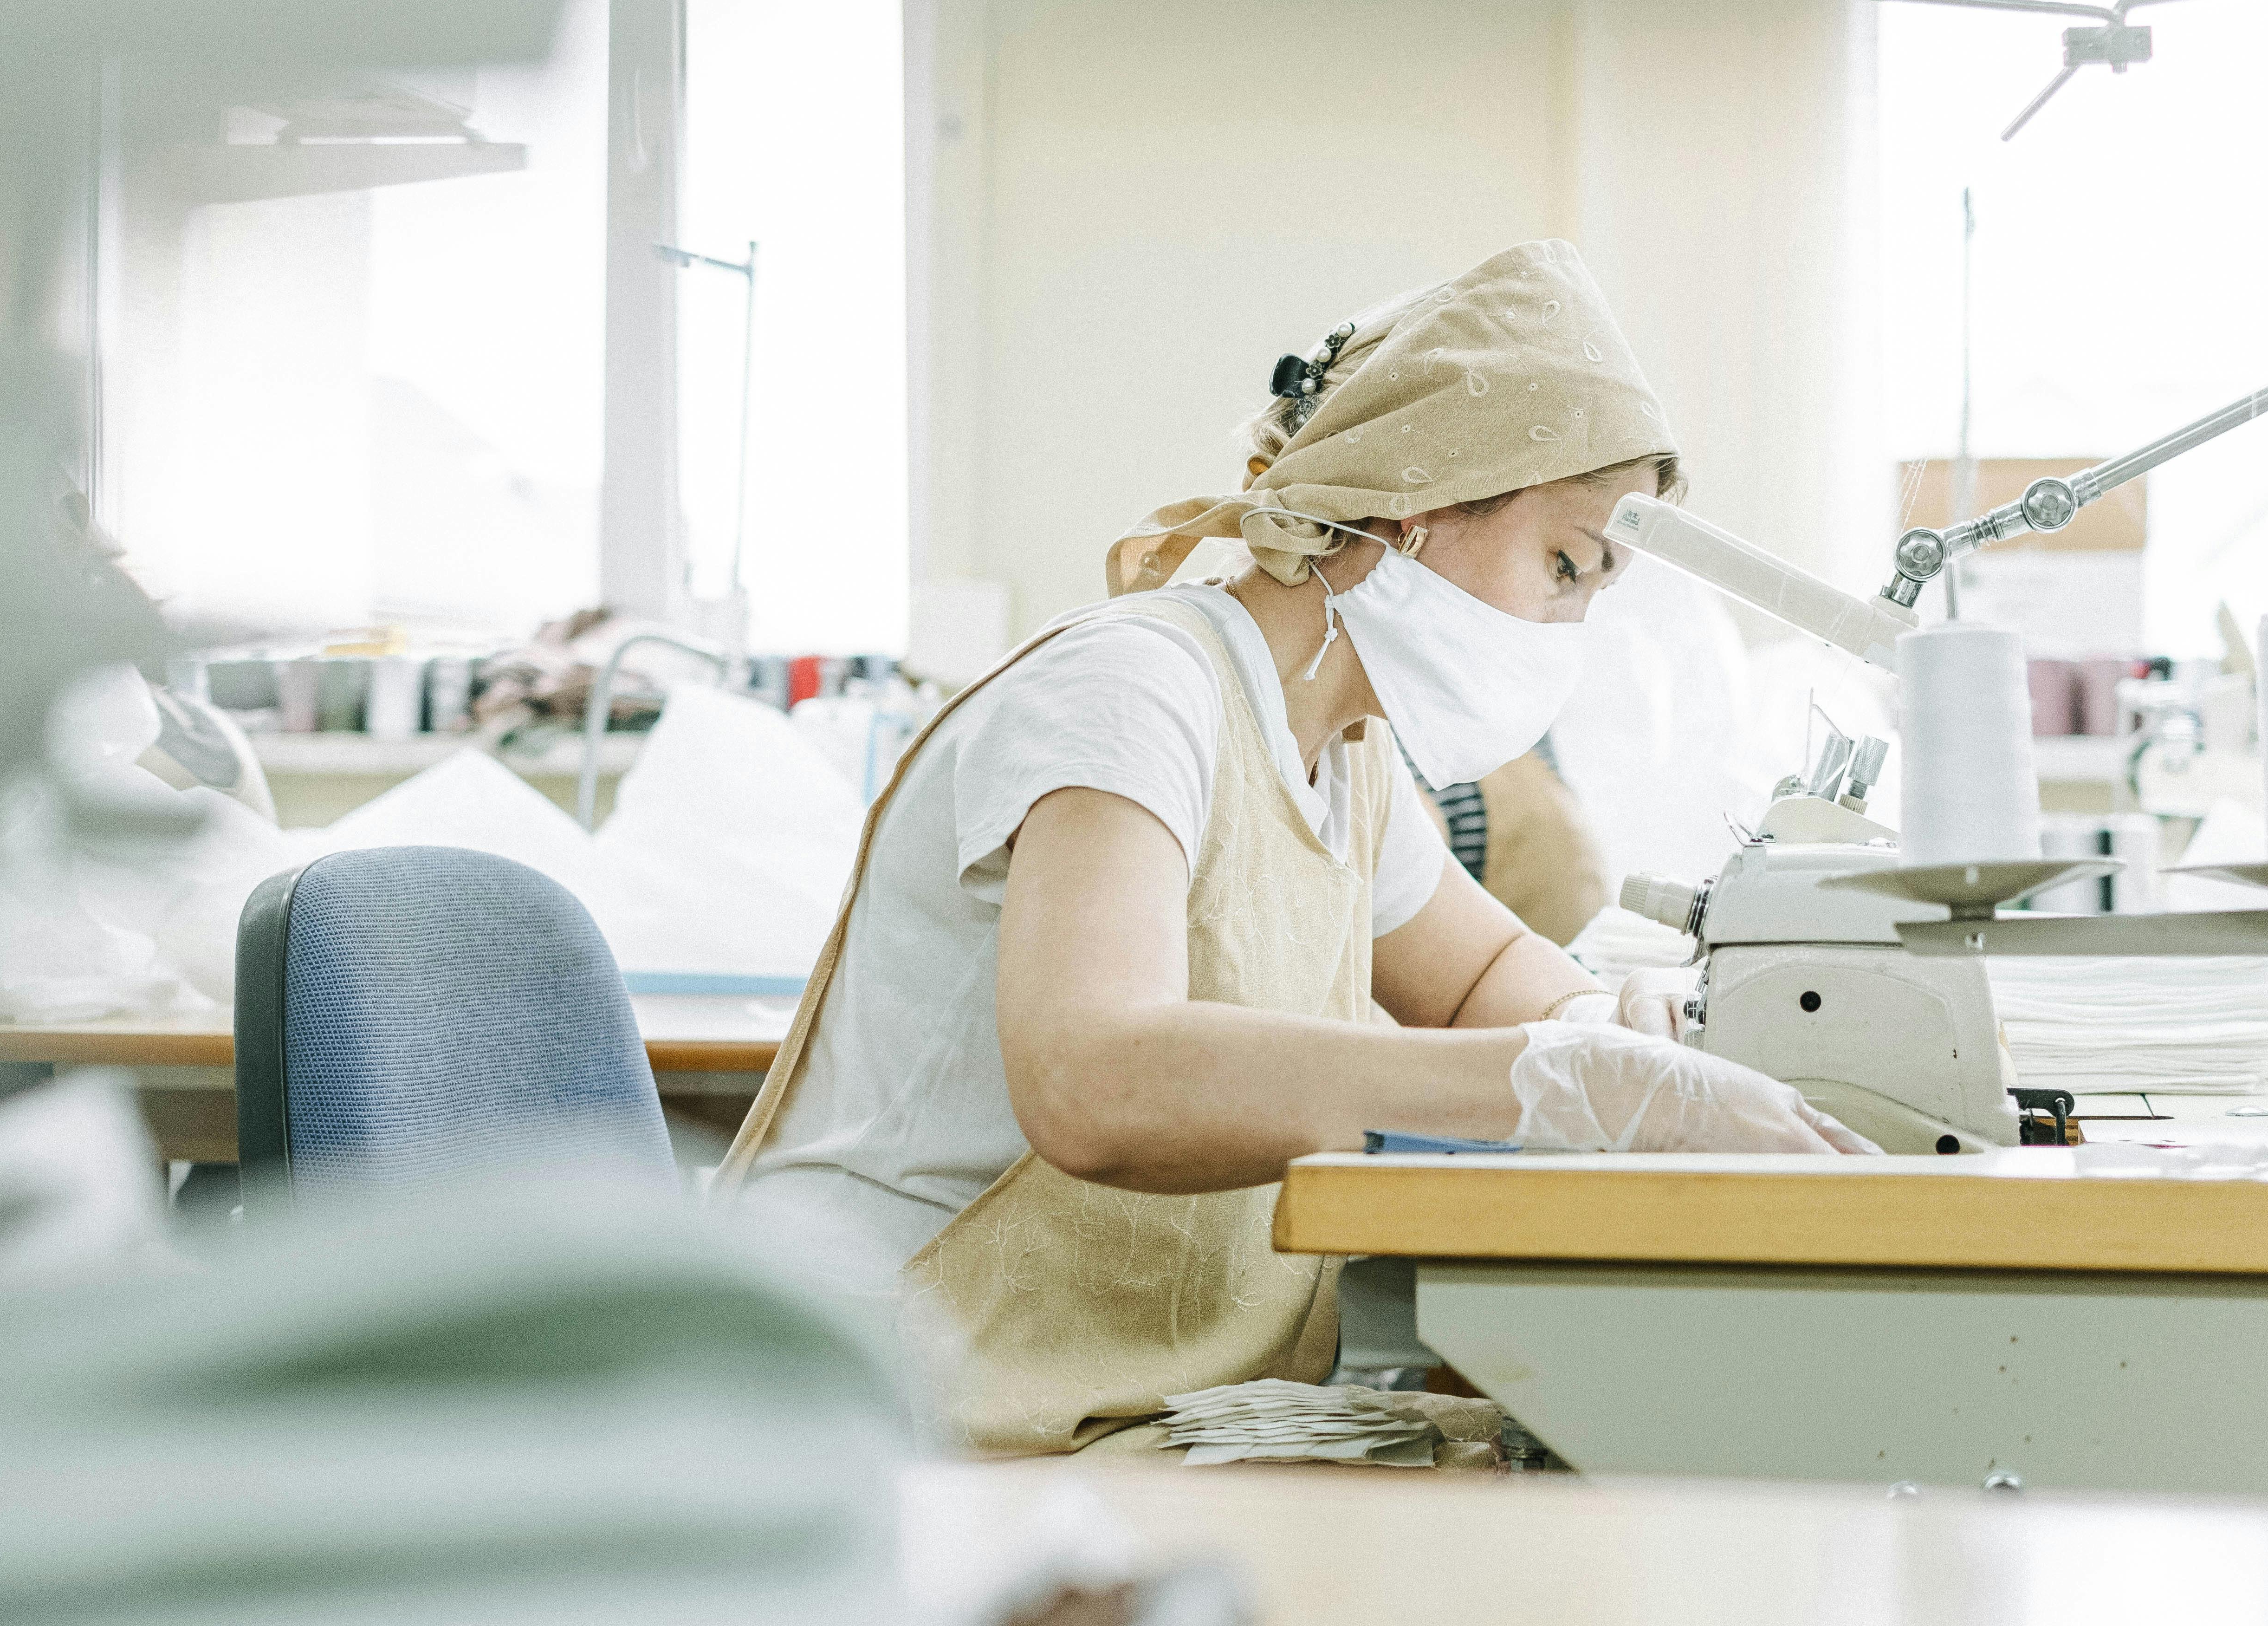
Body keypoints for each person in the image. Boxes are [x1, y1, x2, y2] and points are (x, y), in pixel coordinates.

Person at [713, 241, 1872, 1457]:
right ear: (1415, 508)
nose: (1574, 627)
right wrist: (1549, 1083)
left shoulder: (1345, 753)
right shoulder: (1134, 690)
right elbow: (1092, 1081)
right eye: (1565, 567)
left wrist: (1625, 1035)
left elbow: (1481, 982)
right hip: (897, 1404)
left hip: (1117, 1398)